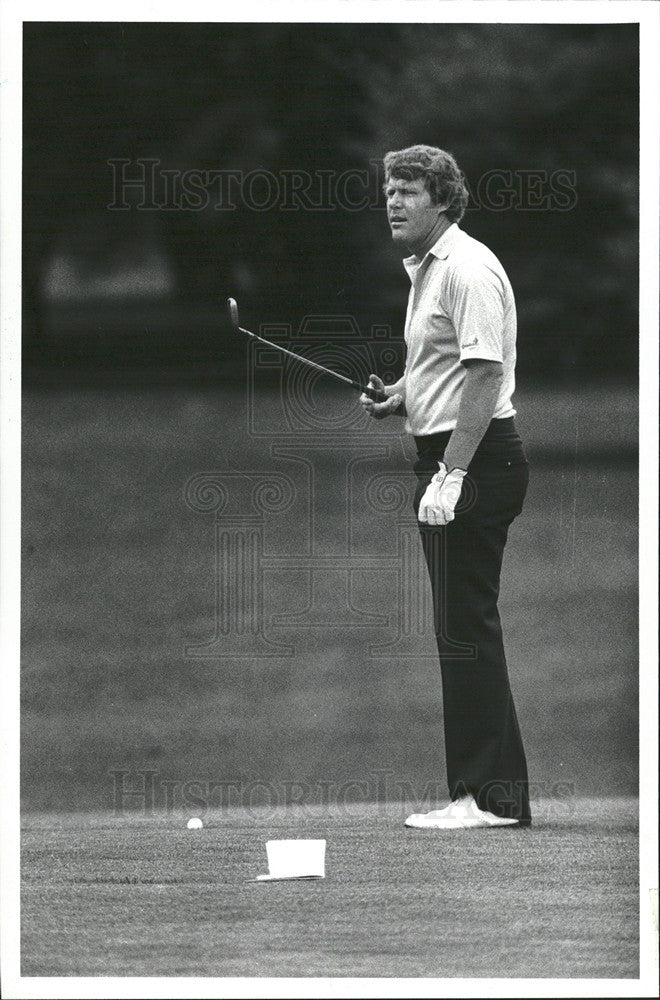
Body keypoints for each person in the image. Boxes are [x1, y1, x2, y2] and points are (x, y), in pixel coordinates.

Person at [361, 145, 531, 829]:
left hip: (478, 461)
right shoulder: (427, 272)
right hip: (454, 456)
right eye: (388, 190)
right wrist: (401, 395)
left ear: (443, 199)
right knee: (460, 628)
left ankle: (488, 799)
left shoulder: (466, 268)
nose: (394, 202)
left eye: (409, 190)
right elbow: (448, 365)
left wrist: (453, 472)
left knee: (465, 629)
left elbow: (486, 377)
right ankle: (486, 794)